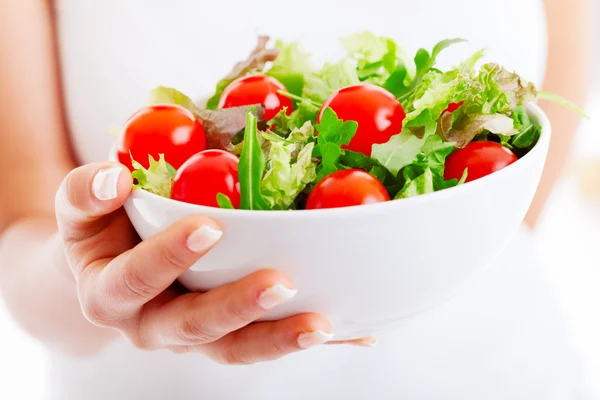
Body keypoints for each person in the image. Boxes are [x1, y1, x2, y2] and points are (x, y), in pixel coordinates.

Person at [0, 0, 593, 399]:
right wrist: (92, 279)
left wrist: (425, 264)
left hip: (498, 371)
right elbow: (24, 244)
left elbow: (522, 178)